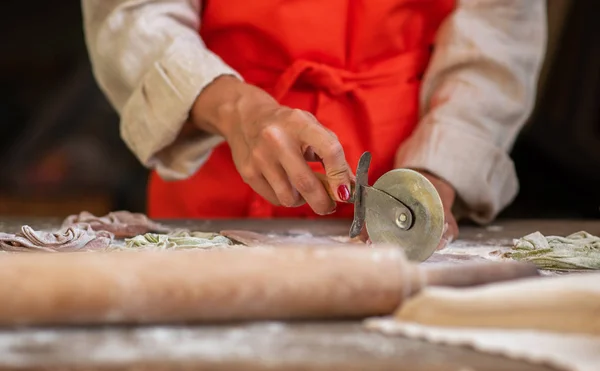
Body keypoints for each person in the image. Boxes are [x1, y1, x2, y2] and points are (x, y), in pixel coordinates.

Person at [82, 0, 547, 246]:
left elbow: (500, 32)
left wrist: (438, 174)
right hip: (215, 179)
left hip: (407, 153)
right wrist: (236, 110)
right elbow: (131, 13)